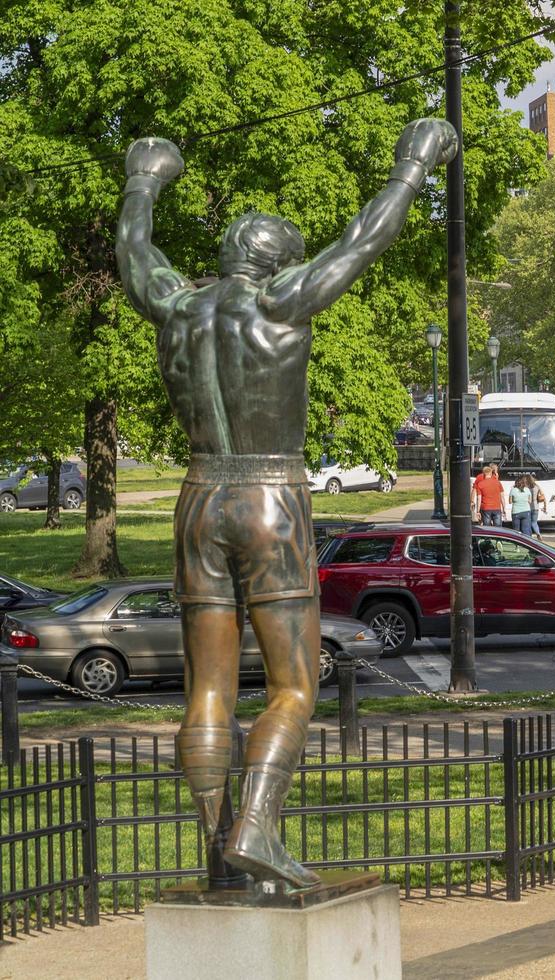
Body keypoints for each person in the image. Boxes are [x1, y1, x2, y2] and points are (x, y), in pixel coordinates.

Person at [116, 118, 458, 886]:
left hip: (199, 494)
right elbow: (364, 241)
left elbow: (136, 256)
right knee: (295, 684)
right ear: (276, 264)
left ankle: (218, 852)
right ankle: (258, 828)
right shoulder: (280, 305)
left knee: (206, 686)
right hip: (270, 495)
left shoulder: (179, 307)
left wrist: (144, 179)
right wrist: (412, 164)